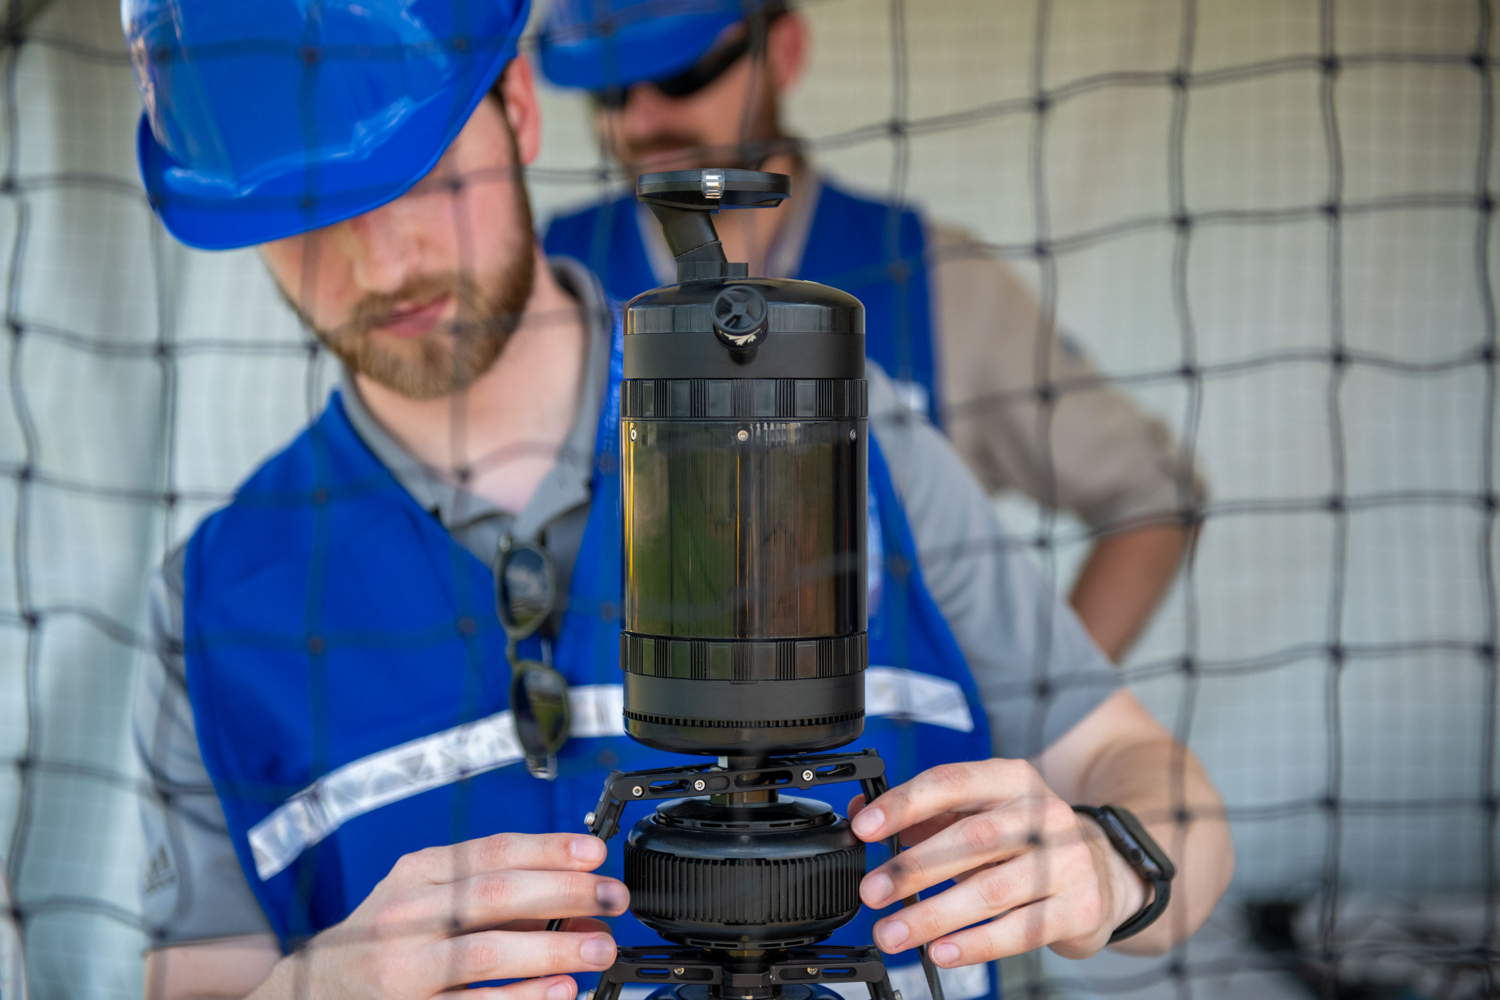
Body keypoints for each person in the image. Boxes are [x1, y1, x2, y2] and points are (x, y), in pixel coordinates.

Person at [125, 1, 1232, 998]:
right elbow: (197, 977)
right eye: (300, 211)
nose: (377, 264)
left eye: (413, 175)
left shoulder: (855, 434)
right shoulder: (216, 597)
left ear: (516, 103)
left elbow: (1156, 790)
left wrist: (1100, 866)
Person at [537, 0, 1204, 662]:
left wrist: (1045, 716)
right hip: (626, 756)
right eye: (613, 89)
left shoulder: (935, 276)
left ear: (784, 50)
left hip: (896, 758)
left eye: (684, 74)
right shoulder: (547, 288)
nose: (646, 117)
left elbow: (1151, 496)